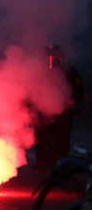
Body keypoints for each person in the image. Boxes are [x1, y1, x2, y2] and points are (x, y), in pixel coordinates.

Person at [33, 44, 84, 172]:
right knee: (43, 138)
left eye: (54, 55)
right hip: (43, 111)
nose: (52, 58)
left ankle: (62, 164)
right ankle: (44, 162)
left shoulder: (69, 71)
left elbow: (79, 90)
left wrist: (70, 103)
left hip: (64, 111)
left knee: (62, 139)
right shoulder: (38, 70)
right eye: (50, 55)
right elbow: (31, 89)